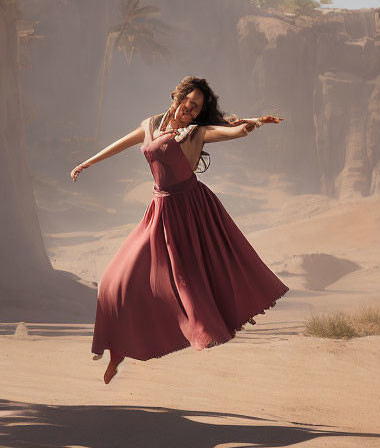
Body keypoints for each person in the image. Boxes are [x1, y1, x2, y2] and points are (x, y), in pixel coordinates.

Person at [71, 75, 288, 384]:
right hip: (159, 210)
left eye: (197, 107)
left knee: (189, 281)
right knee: (114, 279)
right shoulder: (151, 125)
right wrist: (87, 163)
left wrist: (251, 124)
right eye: (189, 100)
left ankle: (203, 330)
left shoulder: (194, 133)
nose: (191, 108)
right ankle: (115, 352)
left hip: (191, 210)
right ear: (178, 96)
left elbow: (231, 130)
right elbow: (121, 144)